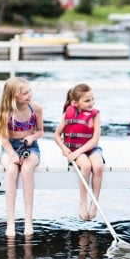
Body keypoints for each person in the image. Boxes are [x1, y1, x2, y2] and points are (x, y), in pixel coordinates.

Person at [0, 77, 43, 237]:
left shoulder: (36, 109)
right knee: (11, 170)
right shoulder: (5, 112)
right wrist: (13, 154)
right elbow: (3, 138)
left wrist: (32, 137)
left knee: (27, 169)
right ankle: (10, 222)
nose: (29, 95)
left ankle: (28, 220)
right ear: (14, 96)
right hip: (10, 147)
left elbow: (40, 131)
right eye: (24, 93)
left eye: (29, 91)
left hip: (31, 147)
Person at [53, 83, 104, 221]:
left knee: (98, 166)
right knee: (86, 166)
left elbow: (94, 140)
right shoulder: (67, 114)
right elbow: (56, 135)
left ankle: (94, 202)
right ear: (75, 103)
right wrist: (65, 149)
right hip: (75, 150)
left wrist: (77, 153)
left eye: (92, 99)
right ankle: (83, 202)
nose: (91, 103)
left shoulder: (95, 115)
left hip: (91, 148)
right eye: (87, 100)